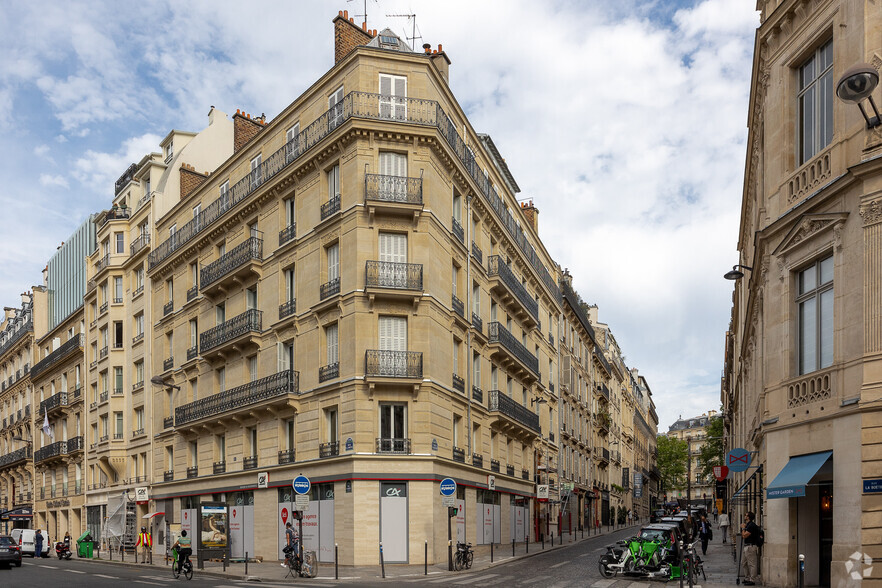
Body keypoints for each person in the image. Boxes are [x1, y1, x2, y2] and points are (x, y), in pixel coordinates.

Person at [740, 511, 760, 585]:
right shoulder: (748, 525)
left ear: (748, 517)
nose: (745, 516)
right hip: (746, 546)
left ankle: (752, 580)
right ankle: (747, 577)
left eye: (746, 515)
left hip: (750, 546)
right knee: (743, 562)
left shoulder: (752, 525)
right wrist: (744, 528)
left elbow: (744, 535)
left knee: (752, 564)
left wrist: (743, 528)